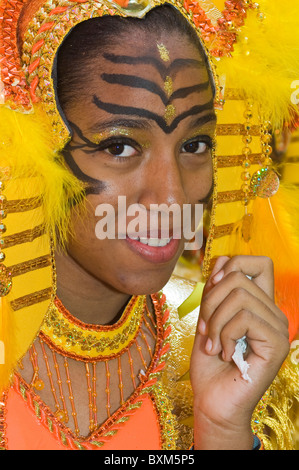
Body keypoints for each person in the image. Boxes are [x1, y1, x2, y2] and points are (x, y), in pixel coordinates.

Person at [0, 0, 298, 450]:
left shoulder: (236, 359)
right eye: (119, 147)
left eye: (195, 144)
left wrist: (221, 431)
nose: (173, 196)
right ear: (32, 155)